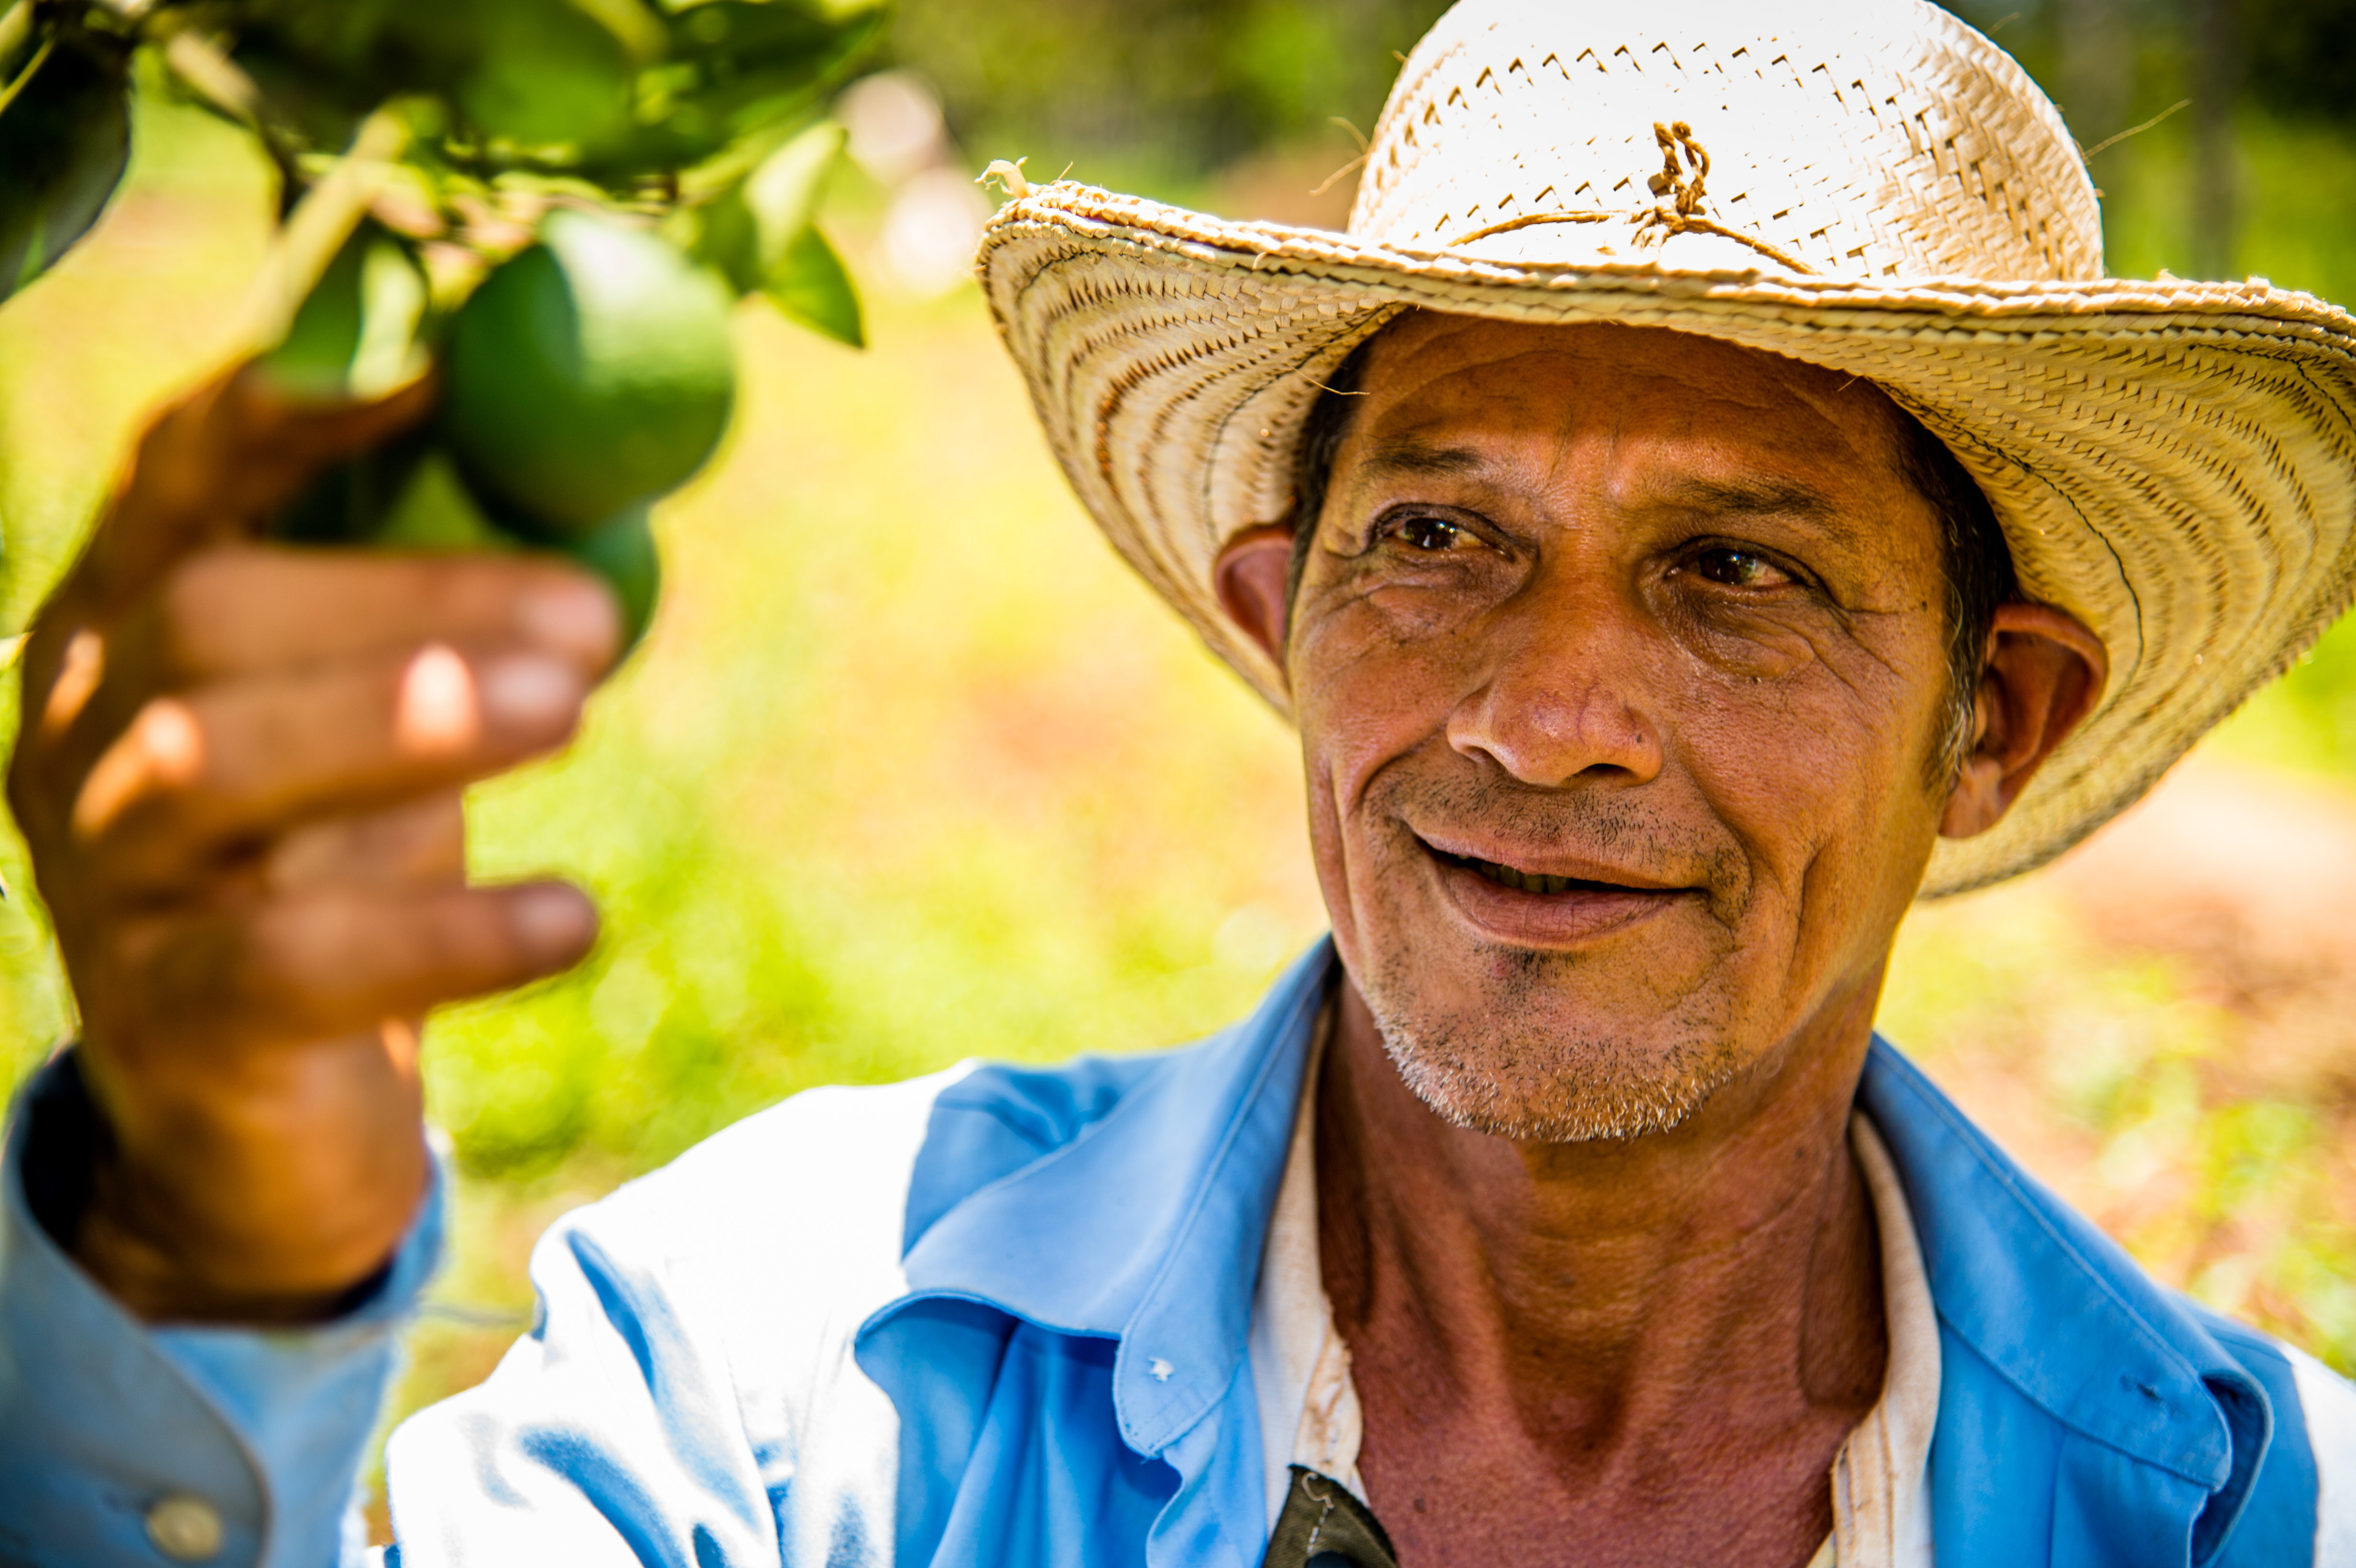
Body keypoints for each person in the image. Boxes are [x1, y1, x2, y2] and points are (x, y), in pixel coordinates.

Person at [3, 0, 2354, 1563]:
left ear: (1994, 716)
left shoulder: (2257, 1511)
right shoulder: (772, 1373)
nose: (1541, 718)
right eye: (1434, 538)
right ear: (1278, 616)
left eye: (1731, 568)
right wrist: (204, 1242)